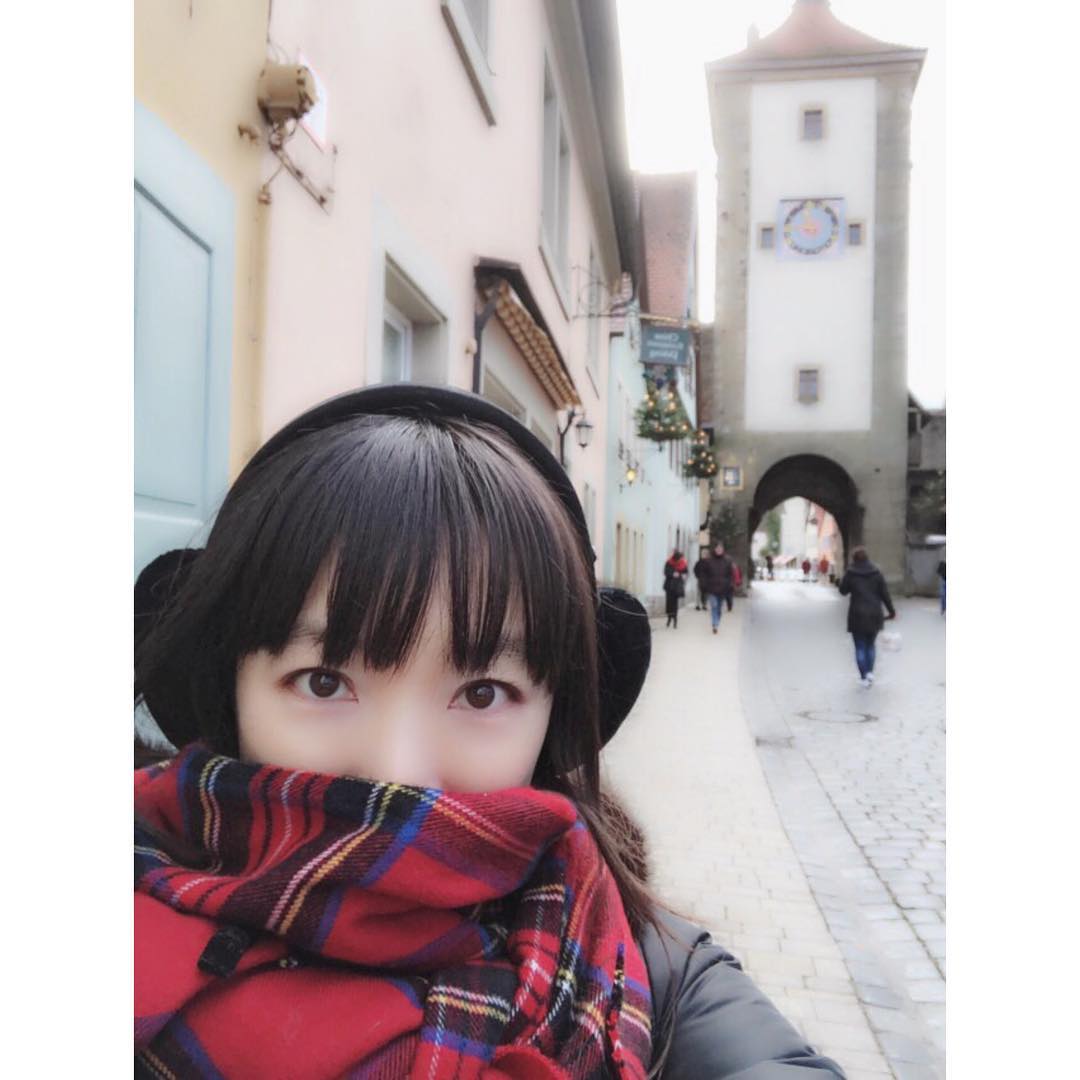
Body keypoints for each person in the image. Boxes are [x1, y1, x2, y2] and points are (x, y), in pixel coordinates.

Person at [133, 385, 845, 1078]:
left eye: (482, 693)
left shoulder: (651, 967)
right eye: (323, 682)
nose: (399, 773)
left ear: (550, 721)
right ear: (229, 692)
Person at [837, 545, 897, 688]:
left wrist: (841, 580)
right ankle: (870, 672)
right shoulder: (876, 573)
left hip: (857, 614)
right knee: (870, 645)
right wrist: (892, 611)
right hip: (874, 614)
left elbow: (843, 591)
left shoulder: (851, 573)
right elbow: (885, 594)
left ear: (854, 559)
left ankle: (864, 676)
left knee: (860, 646)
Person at [698, 541, 736, 634]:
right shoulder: (708, 560)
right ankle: (715, 624)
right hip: (711, 588)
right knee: (714, 605)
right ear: (714, 549)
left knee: (719, 608)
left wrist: (729, 584)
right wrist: (704, 584)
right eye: (717, 548)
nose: (719, 550)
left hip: (723, 588)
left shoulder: (728, 560)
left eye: (720, 548)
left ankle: (717, 622)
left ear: (723, 550)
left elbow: (731, 574)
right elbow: (703, 574)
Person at [663, 548, 688, 628]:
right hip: (669, 585)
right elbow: (665, 572)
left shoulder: (683, 563)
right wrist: (673, 574)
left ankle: (675, 619)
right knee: (669, 603)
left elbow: (685, 572)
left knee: (675, 603)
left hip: (677, 586)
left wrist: (681, 575)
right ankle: (669, 617)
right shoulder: (669, 562)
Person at [692, 546, 709, 610]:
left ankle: (704, 605)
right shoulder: (699, 562)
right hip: (700, 579)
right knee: (699, 592)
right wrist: (697, 576)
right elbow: (695, 569)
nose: (704, 555)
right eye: (703, 553)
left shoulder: (709, 562)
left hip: (707, 580)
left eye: (705, 554)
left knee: (706, 593)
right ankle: (698, 605)